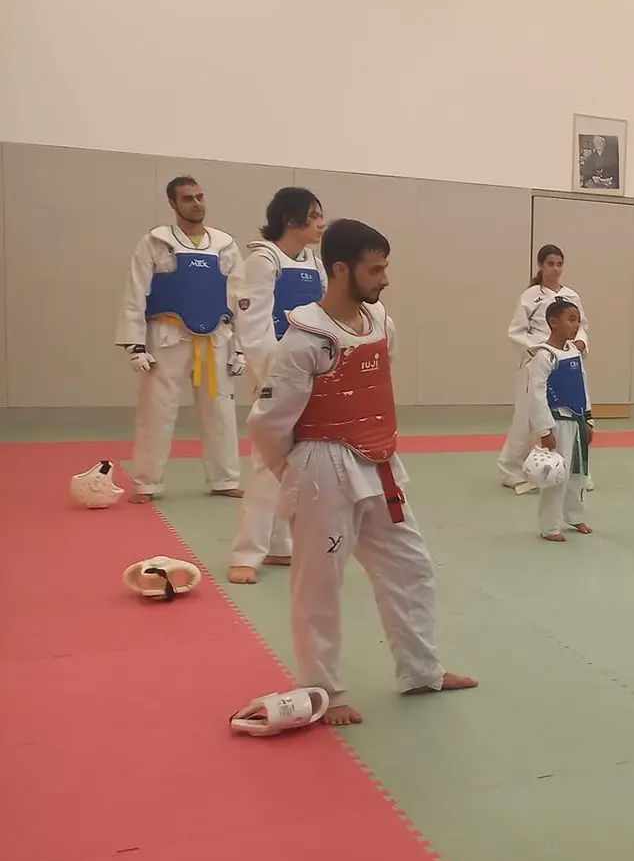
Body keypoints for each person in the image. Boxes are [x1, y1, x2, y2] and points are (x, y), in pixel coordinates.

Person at [247, 219, 477, 725]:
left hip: (378, 461)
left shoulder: (380, 324)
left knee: (410, 565)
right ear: (340, 270)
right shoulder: (303, 340)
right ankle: (322, 689)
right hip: (322, 467)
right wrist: (296, 471)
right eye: (375, 270)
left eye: (385, 267)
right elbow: (268, 422)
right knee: (319, 584)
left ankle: (421, 671)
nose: (385, 279)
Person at [116, 176, 246, 502]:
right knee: (156, 411)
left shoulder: (225, 245)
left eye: (200, 196)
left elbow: (240, 299)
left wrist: (241, 348)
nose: (197, 203)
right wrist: (135, 345)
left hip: (216, 337)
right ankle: (147, 482)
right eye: (188, 198)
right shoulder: (155, 242)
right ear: (173, 204)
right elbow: (136, 292)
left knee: (221, 412)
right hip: (167, 337)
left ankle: (225, 478)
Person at [228, 187, 327, 584]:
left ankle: (280, 544)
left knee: (299, 463)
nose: (321, 223)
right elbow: (254, 328)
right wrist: (275, 376)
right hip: (275, 373)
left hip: (310, 371)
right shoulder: (262, 261)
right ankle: (245, 553)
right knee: (267, 464)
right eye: (314, 216)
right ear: (290, 219)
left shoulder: (315, 264)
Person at [498, 245, 588, 492]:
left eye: (559, 264)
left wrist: (581, 342)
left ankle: (572, 470)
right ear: (540, 265)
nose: (555, 269)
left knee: (569, 415)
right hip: (537, 358)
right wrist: (538, 349)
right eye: (550, 264)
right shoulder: (530, 296)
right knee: (527, 417)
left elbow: (581, 325)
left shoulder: (571, 296)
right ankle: (511, 469)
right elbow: (516, 331)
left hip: (565, 358)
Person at [524, 299, 594, 541]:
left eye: (578, 321)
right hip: (557, 422)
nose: (576, 326)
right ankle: (549, 526)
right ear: (553, 322)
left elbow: (582, 388)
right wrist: (545, 429)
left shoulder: (574, 352)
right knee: (555, 476)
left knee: (577, 473)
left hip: (577, 421)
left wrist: (588, 419)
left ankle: (574, 516)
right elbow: (535, 394)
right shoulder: (544, 356)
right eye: (571, 320)